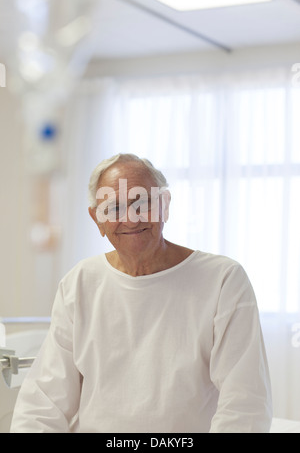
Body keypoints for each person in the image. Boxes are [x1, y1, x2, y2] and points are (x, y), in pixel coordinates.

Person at [10, 153, 272, 433]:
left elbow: (244, 403)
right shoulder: (80, 283)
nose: (131, 219)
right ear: (97, 218)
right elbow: (43, 401)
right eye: (114, 208)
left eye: (142, 203)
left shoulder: (223, 280)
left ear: (165, 205)